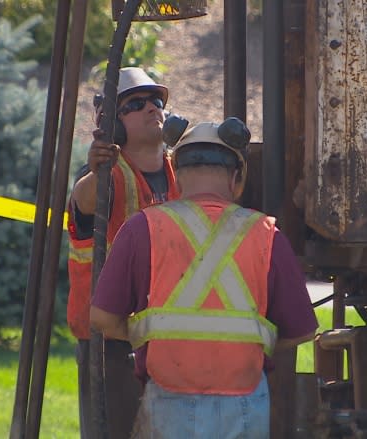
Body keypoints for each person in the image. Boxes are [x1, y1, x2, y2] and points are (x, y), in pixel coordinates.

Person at [90, 118, 318, 438]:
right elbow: (301, 330)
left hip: (168, 400)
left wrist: (157, 336)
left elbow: (102, 317)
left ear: (177, 175)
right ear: (237, 176)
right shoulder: (266, 234)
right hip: (245, 401)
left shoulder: (143, 228)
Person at [66, 67, 180, 438]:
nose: (152, 108)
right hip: (112, 343)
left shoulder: (183, 173)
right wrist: (98, 168)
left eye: (157, 101)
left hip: (170, 336)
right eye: (136, 104)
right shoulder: (105, 178)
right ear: (112, 125)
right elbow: (82, 202)